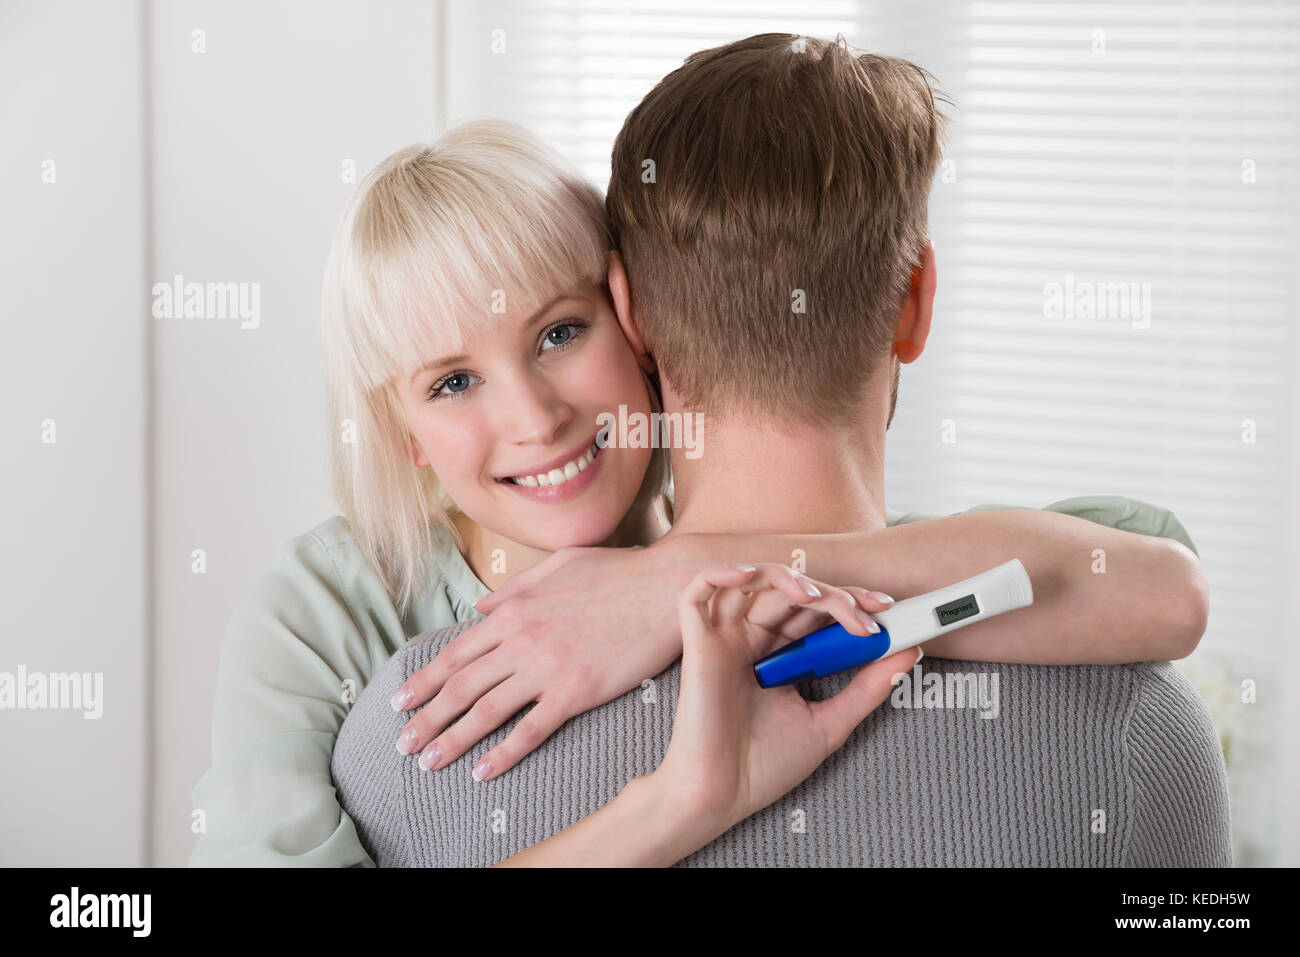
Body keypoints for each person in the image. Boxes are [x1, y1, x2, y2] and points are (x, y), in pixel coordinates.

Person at [191, 98, 1207, 866]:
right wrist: (671, 809)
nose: (534, 417)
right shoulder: (321, 612)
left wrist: (667, 580)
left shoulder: (741, 526)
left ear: (633, 324)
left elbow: (1138, 558)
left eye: (559, 332)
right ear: (400, 432)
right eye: (453, 382)